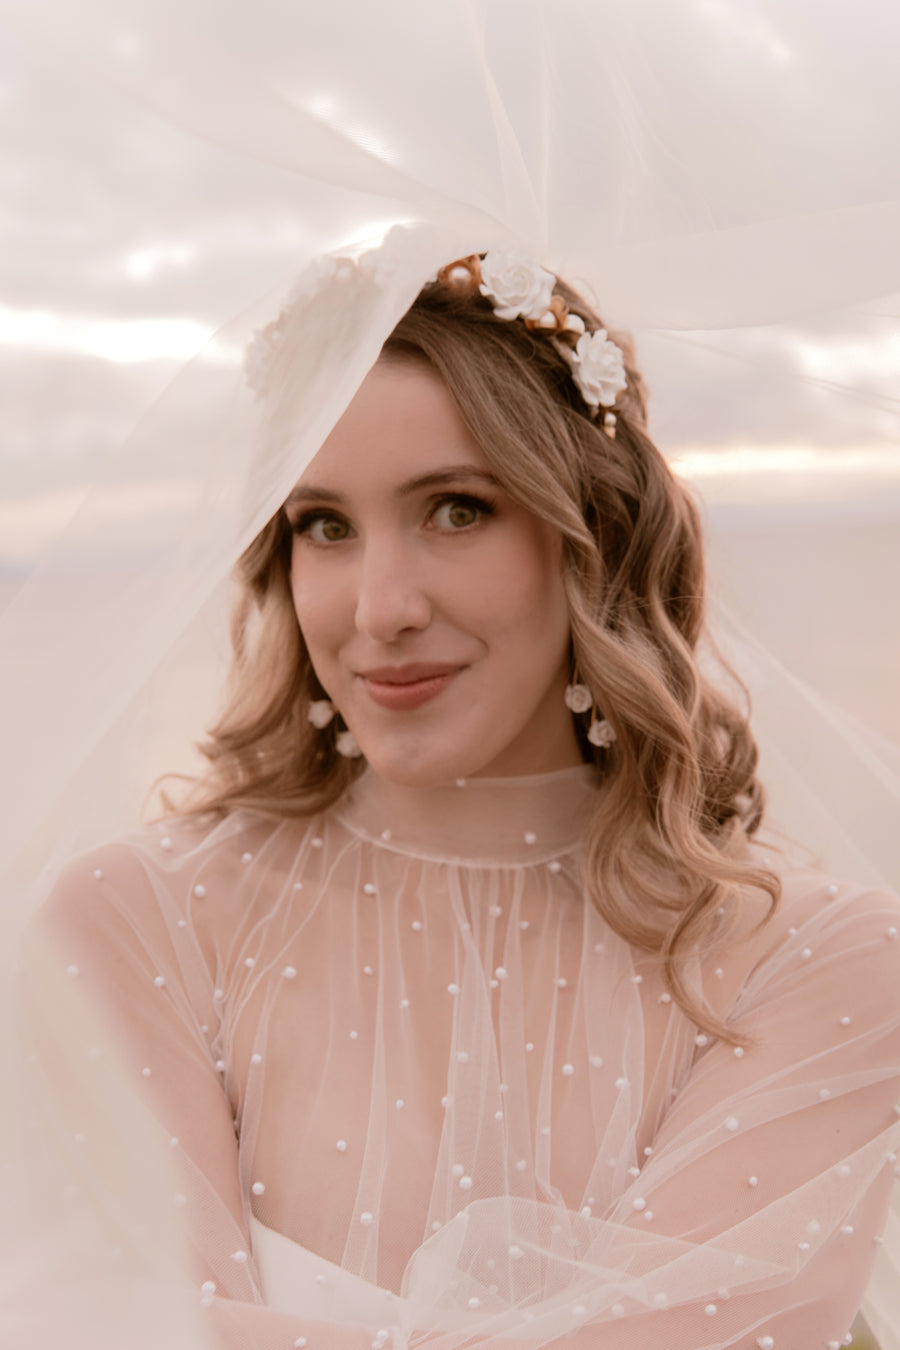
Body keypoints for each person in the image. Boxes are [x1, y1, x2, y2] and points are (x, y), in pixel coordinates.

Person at [16, 248, 900, 1350]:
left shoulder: (816, 966)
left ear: (595, 536)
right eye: (323, 525)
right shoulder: (135, 925)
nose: (378, 609)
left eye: (456, 509)